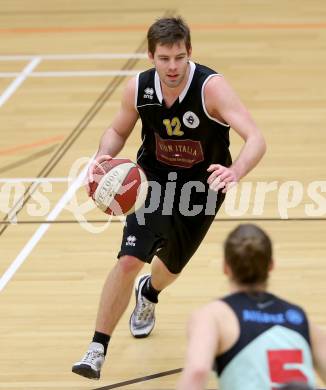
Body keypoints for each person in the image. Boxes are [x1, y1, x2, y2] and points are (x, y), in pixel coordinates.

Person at [72, 16, 266, 380]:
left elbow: (255, 138)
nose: (172, 66)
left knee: (169, 269)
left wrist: (235, 171)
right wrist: (101, 158)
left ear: (189, 52)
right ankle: (97, 347)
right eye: (164, 58)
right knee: (130, 259)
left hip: (202, 189)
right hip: (151, 183)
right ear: (151, 56)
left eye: (179, 57)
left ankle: (150, 293)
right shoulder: (138, 89)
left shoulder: (211, 88)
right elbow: (117, 129)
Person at [177, 224, 326, 390]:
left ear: (226, 267)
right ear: (271, 266)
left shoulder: (213, 316)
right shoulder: (299, 318)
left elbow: (198, 371)